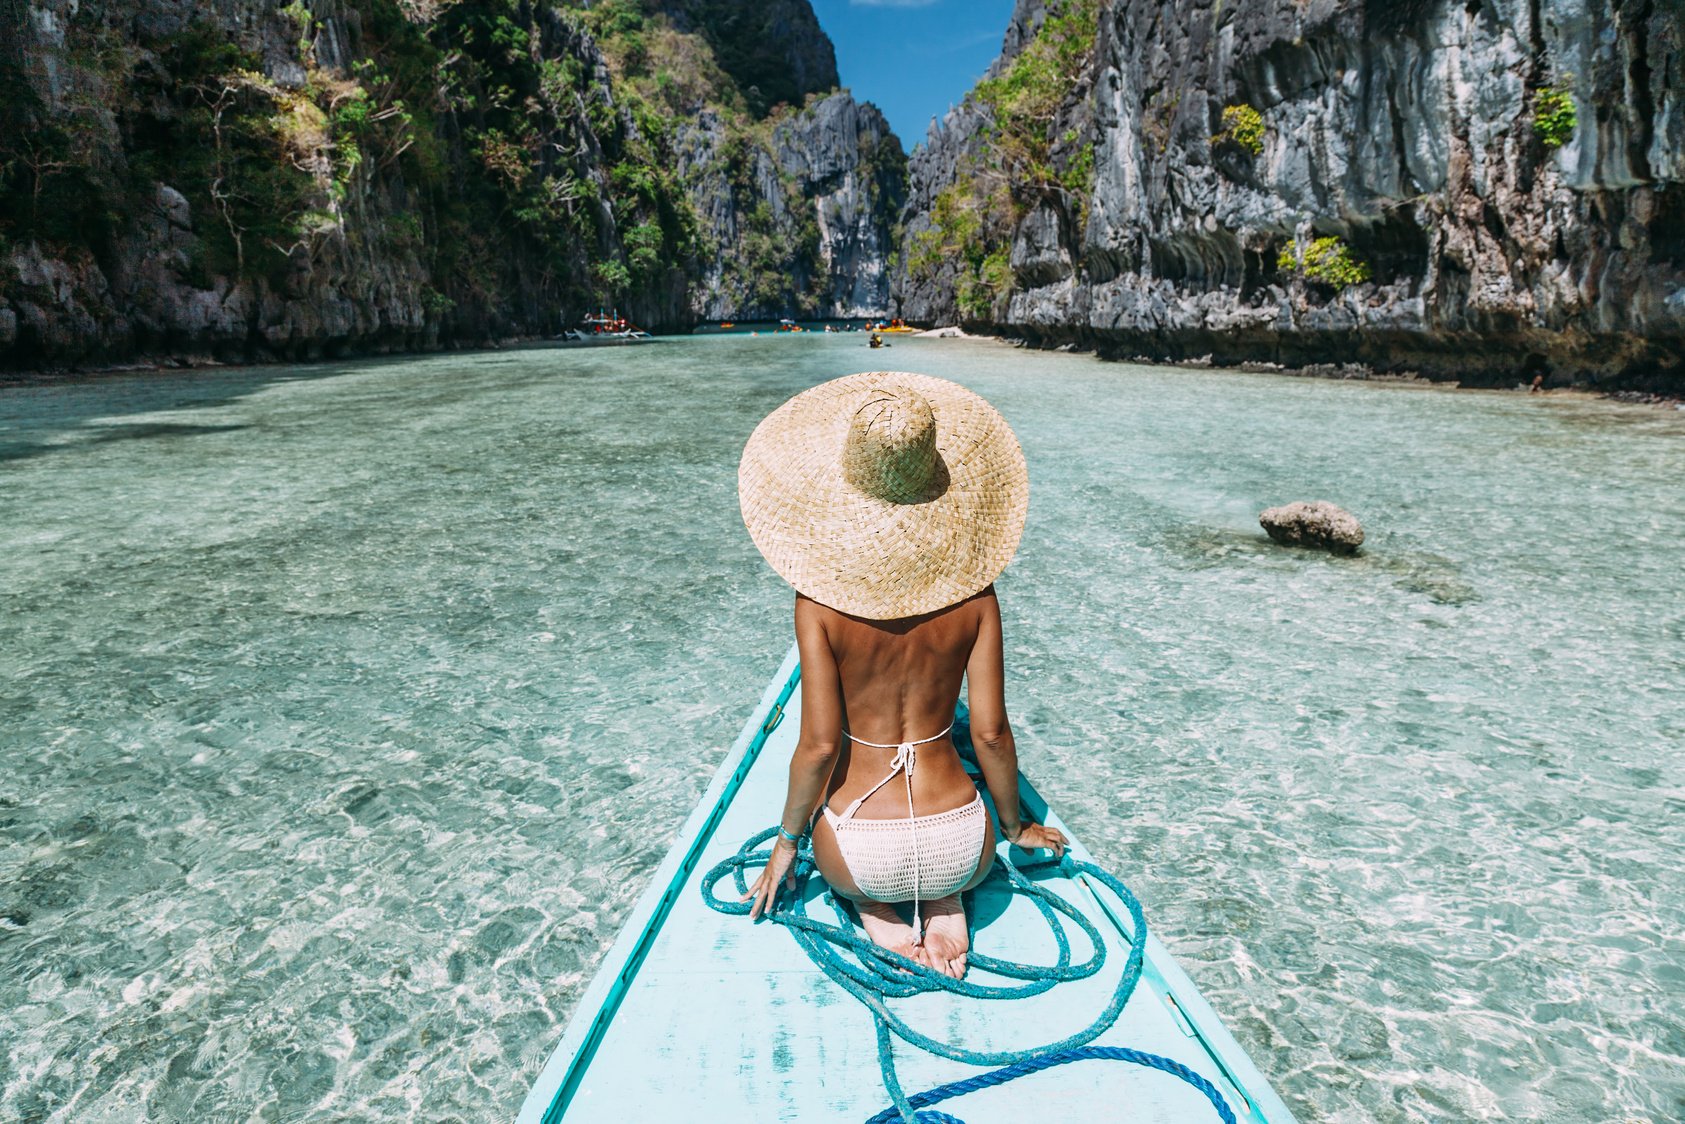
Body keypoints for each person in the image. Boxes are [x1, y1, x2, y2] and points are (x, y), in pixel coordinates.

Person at [736, 372, 1067, 979]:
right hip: (965, 843)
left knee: (852, 851)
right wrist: (1016, 828)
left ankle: (877, 910)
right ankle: (945, 899)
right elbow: (991, 733)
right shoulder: (977, 597)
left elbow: (819, 746)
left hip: (859, 848)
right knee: (950, 855)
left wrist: (786, 847)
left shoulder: (819, 607)